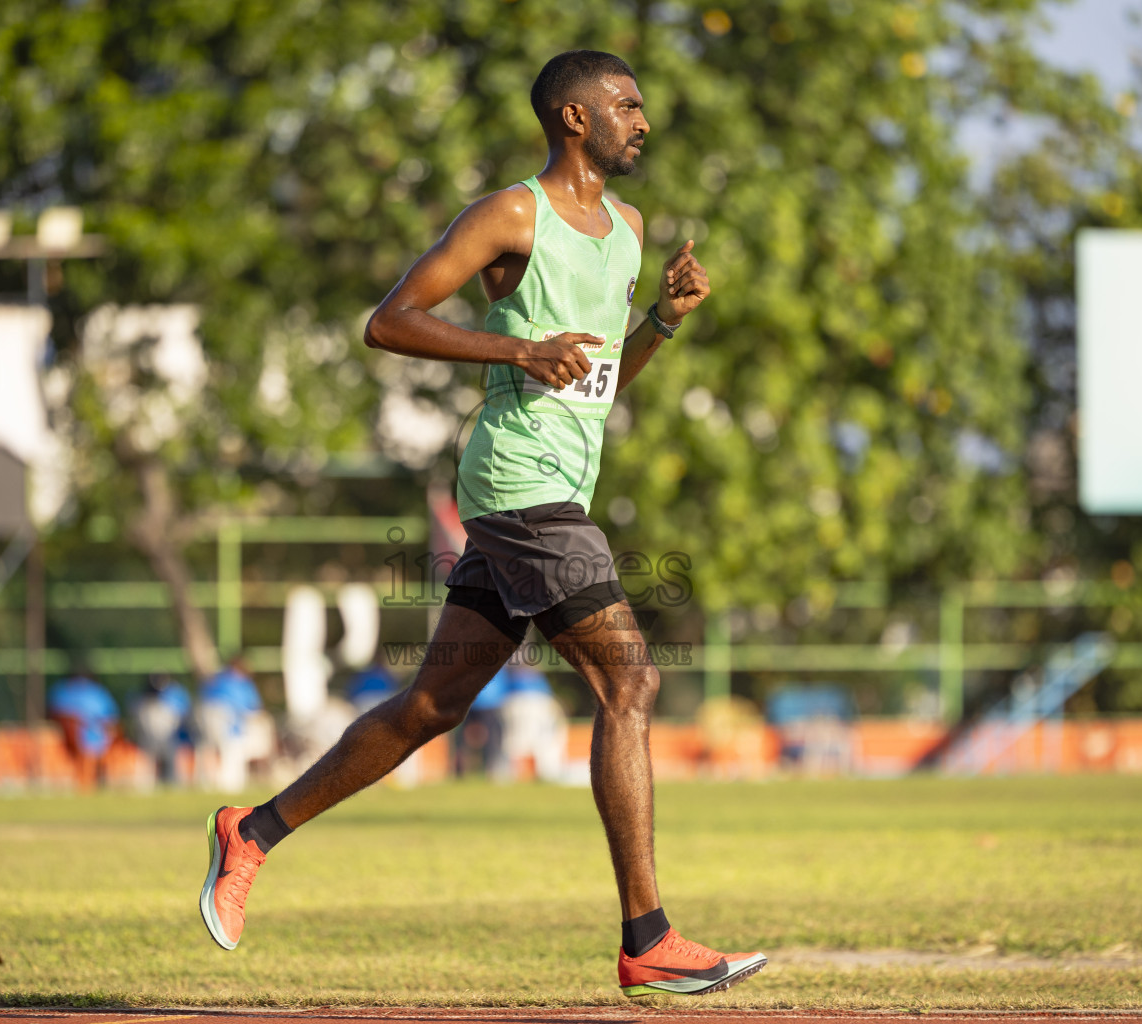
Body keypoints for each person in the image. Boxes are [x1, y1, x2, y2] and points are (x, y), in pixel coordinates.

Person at [197, 50, 765, 997]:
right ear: (574, 117)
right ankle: (648, 938)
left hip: (558, 490)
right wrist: (515, 349)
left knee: (433, 707)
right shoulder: (511, 216)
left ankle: (250, 831)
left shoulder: (629, 232)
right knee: (631, 681)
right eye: (627, 105)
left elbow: (598, 383)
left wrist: (662, 322)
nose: (643, 121)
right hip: (517, 485)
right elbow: (390, 321)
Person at [194, 656, 268, 793]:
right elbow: (253, 709)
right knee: (234, 747)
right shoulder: (241, 685)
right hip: (229, 727)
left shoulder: (214, 681)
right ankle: (230, 784)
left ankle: (206, 781)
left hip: (208, 724)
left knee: (207, 748)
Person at [47, 670, 119, 790]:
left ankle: (86, 781)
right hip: (83, 736)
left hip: (79, 736)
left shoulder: (61, 691)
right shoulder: (96, 693)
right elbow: (110, 718)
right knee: (93, 741)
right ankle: (86, 782)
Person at [132, 673, 191, 785]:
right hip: (166, 740)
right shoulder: (170, 702)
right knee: (175, 751)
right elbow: (180, 721)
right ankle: (174, 783)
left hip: (149, 741)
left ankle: (149, 783)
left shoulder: (138, 702)